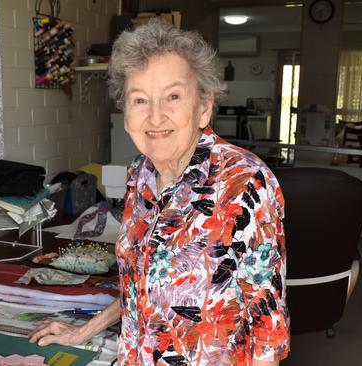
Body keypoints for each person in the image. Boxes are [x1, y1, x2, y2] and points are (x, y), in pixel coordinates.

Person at [29, 20, 290, 365]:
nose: (155, 116)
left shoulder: (245, 183)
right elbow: (139, 285)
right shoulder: (141, 173)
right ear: (126, 114)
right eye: (140, 100)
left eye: (173, 96)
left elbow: (267, 332)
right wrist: (83, 331)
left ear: (204, 106)